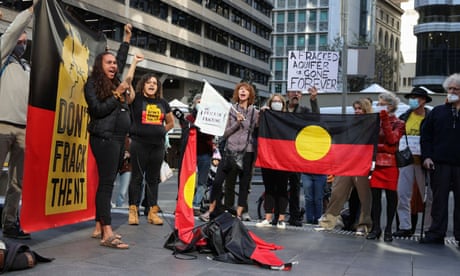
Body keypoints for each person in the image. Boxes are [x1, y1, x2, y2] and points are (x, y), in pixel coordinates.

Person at [85, 24, 142, 249]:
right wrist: (116, 96)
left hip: (119, 139)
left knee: (107, 182)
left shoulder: (115, 80)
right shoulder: (92, 84)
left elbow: (120, 55)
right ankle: (107, 232)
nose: (114, 65)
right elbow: (97, 111)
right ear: (100, 66)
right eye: (108, 63)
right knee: (107, 184)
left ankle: (99, 224)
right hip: (104, 138)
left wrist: (127, 39)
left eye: (115, 64)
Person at [0, 2, 38, 239]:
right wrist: (31, 12)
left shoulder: (28, 68)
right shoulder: (3, 59)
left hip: (25, 130)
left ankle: (10, 222)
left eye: (25, 42)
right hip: (1, 124)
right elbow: (11, 32)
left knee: (17, 182)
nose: (22, 44)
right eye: (19, 40)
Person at [200, 82, 259, 221]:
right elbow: (224, 133)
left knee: (244, 185)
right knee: (217, 182)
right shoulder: (231, 110)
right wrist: (237, 123)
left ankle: (238, 214)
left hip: (247, 153)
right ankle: (211, 211)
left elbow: (260, 129)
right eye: (240, 90)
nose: (242, 92)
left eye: (246, 90)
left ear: (250, 94)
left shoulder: (255, 113)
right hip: (229, 152)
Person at [319, 98, 373, 234]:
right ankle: (328, 222)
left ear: (366, 109)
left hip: (362, 165)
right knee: (337, 193)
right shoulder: (350, 124)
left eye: (360, 108)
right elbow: (331, 129)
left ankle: (364, 224)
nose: (357, 111)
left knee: (365, 197)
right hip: (347, 164)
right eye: (355, 108)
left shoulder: (372, 124)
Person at [127, 73, 174, 226]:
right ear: (143, 85)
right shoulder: (136, 99)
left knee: (153, 180)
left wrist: (161, 131)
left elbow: (170, 122)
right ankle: (133, 210)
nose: (152, 85)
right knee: (137, 178)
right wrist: (133, 63)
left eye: (154, 83)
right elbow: (127, 83)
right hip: (139, 143)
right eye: (148, 82)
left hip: (157, 146)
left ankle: (151, 211)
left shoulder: (163, 102)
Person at [420, 73, 460, 246]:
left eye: (455, 89)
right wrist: (427, 156)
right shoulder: (437, 112)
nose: (451, 92)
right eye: (449, 89)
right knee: (439, 200)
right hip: (440, 163)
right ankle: (436, 232)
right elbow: (426, 136)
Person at [393, 87, 432, 238]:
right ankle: (405, 226)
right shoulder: (405, 116)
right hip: (406, 160)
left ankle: (429, 228)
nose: (413, 100)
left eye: (416, 97)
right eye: (412, 97)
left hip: (424, 161)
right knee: (402, 194)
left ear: (423, 101)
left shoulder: (430, 116)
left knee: (429, 197)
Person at [366, 92, 405, 242]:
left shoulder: (399, 123)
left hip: (390, 165)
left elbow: (392, 139)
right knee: (375, 198)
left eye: (381, 104)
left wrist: (384, 119)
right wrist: (384, 148)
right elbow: (371, 142)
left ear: (390, 106)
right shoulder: (375, 122)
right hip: (376, 164)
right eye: (378, 103)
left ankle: (389, 228)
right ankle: (376, 228)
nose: (378, 106)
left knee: (391, 198)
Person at [285, 87, 320, 226]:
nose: (296, 95)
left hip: (296, 153)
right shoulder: (280, 108)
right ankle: (279, 215)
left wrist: (313, 100)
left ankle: (294, 216)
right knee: (280, 185)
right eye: (293, 92)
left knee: (295, 186)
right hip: (281, 151)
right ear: (288, 94)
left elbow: (316, 118)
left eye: (299, 93)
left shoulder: (304, 111)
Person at [256, 93, 290, 229]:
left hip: (283, 159)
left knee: (282, 188)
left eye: (279, 101)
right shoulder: (266, 115)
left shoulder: (288, 118)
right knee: (269, 188)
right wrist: (262, 114)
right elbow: (256, 128)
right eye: (274, 101)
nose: (277, 103)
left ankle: (281, 218)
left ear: (283, 104)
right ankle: (268, 217)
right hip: (268, 157)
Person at [186, 94, 214, 216]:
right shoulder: (189, 118)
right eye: (198, 101)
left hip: (205, 153)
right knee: (189, 181)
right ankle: (186, 204)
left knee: (202, 182)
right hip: (191, 153)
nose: (200, 103)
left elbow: (210, 135)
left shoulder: (210, 119)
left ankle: (196, 205)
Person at [112, 136, 131, 208]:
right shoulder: (119, 136)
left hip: (127, 167)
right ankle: (108, 204)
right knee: (109, 186)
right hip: (115, 164)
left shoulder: (133, 139)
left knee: (123, 191)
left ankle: (118, 207)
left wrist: (129, 154)